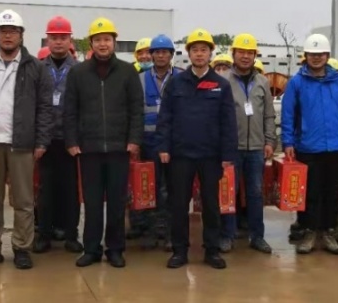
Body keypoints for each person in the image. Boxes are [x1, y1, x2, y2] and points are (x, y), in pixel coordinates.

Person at [0, 10, 54, 270]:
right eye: (3, 31)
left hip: (22, 144)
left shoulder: (35, 67)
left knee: (23, 200)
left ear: (21, 35)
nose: (7, 36)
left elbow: (45, 108)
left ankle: (21, 247)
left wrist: (41, 141)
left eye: (13, 31)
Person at [63, 17, 143, 268]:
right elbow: (70, 110)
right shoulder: (78, 73)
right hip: (89, 149)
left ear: (114, 42)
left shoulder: (128, 72)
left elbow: (136, 110)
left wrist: (134, 139)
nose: (103, 44)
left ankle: (115, 249)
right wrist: (71, 140)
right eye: (98, 40)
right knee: (93, 203)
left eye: (107, 39)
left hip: (119, 148)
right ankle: (92, 249)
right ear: (91, 43)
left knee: (118, 203)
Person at [157, 28, 237, 270]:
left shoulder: (221, 85)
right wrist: (164, 147)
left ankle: (212, 251)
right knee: (178, 205)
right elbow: (165, 117)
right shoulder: (176, 83)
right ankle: (179, 251)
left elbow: (228, 123)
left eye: (204, 50)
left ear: (210, 53)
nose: (199, 54)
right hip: (181, 155)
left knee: (211, 205)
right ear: (188, 53)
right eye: (195, 50)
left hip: (210, 156)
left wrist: (228, 155)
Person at [282, 34, 338, 255]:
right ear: (306, 56)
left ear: (327, 56)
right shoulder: (297, 82)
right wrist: (288, 141)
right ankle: (309, 232)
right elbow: (288, 114)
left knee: (332, 192)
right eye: (312, 54)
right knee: (310, 193)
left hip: (336, 146)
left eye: (320, 54)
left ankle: (329, 231)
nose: (316, 58)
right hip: (308, 146)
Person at [219, 33, 275, 254]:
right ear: (233, 54)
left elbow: (269, 115)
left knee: (255, 193)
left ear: (254, 56)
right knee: (228, 193)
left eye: (249, 52)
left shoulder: (263, 82)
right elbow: (218, 116)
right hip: (231, 148)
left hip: (256, 149)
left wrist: (269, 141)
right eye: (241, 52)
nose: (245, 56)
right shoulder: (223, 80)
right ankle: (227, 235)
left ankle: (257, 236)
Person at [34, 16, 83, 255]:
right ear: (48, 40)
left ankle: (72, 236)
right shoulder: (37, 68)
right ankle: (43, 234)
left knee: (71, 190)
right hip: (45, 140)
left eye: (63, 37)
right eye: (54, 37)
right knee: (45, 190)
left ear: (70, 40)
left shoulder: (80, 70)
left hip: (70, 141)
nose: (58, 42)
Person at [131, 33, 180, 250]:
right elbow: (134, 111)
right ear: (151, 55)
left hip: (173, 143)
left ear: (171, 54)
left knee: (172, 189)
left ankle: (169, 233)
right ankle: (151, 231)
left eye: (165, 52)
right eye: (157, 52)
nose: (161, 56)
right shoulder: (140, 79)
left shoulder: (180, 78)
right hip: (148, 142)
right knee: (149, 187)